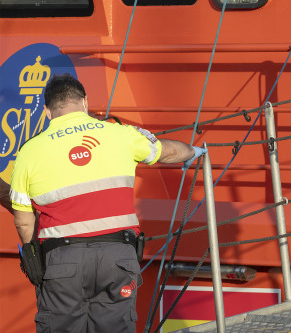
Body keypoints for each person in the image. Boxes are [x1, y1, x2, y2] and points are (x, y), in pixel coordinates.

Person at [9, 74, 206, 333]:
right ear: (85, 103)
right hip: (118, 258)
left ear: (47, 111)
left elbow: (23, 220)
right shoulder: (120, 134)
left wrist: (30, 252)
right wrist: (194, 151)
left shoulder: (29, 152)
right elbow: (167, 151)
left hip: (62, 262)